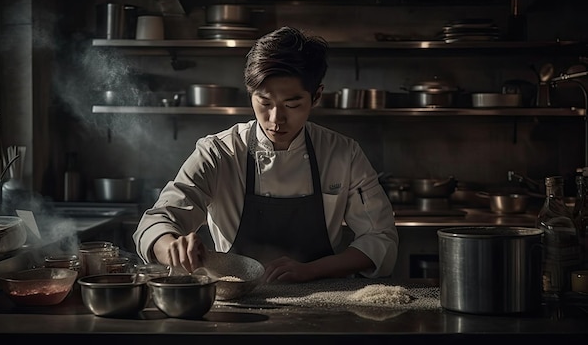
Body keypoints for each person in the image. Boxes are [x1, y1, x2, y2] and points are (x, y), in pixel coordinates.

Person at [133, 26, 398, 283]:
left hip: (324, 296)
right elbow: (156, 221)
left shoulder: (342, 153)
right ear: (251, 94)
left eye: (292, 104)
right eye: (264, 102)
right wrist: (171, 247)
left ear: (316, 96)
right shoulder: (219, 152)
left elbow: (380, 238)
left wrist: (311, 271)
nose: (276, 119)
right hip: (235, 302)